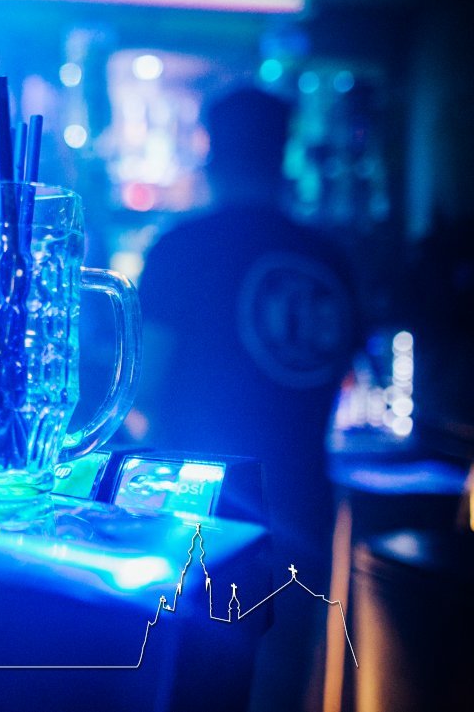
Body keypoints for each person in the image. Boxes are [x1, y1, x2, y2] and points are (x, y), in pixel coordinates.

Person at [133, 86, 362, 712]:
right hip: (305, 508)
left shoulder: (183, 248)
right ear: (283, 155)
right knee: (284, 687)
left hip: (205, 515)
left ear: (212, 154)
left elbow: (143, 387)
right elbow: (340, 376)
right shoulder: (328, 258)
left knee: (196, 685)